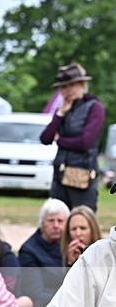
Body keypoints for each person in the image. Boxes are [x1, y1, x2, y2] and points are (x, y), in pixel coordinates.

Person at [40, 63, 105, 212]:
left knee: (81, 222)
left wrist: (60, 140)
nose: (66, 91)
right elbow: (45, 138)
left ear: (82, 84)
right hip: (59, 176)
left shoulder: (94, 107)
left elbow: (85, 142)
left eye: (70, 86)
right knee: (57, 222)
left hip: (82, 176)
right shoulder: (64, 109)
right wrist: (60, 114)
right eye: (62, 87)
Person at [18, 198, 70, 307]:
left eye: (60, 221)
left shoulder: (72, 244)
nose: (56, 225)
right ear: (42, 223)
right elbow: (35, 293)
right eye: (51, 221)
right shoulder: (29, 251)